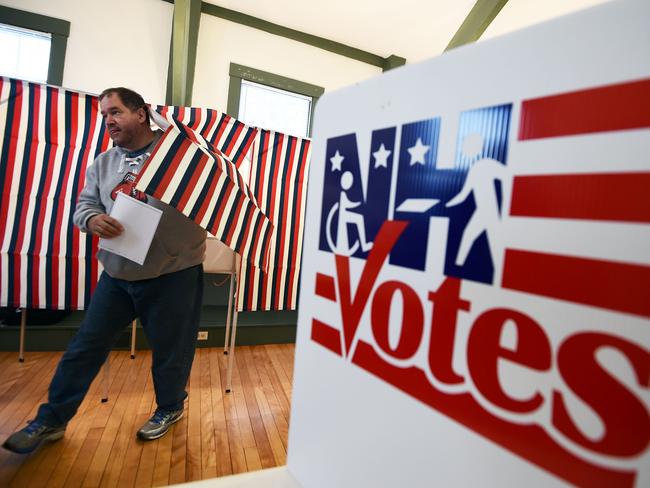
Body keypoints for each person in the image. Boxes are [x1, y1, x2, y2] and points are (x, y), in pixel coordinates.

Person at [2, 87, 207, 454]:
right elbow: (84, 204)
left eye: (115, 112)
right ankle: (52, 419)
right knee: (85, 347)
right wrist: (93, 218)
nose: (108, 120)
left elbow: (206, 205)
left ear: (141, 113)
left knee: (171, 351)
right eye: (104, 115)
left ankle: (170, 407)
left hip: (174, 274)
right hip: (117, 274)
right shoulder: (102, 164)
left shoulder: (180, 157)